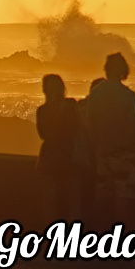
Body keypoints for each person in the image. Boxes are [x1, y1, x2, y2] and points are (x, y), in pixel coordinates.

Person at [86, 53, 135, 220]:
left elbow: (91, 124)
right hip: (124, 153)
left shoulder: (96, 94)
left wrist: (93, 149)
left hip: (102, 151)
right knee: (124, 198)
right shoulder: (128, 96)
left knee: (102, 197)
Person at [36, 74, 83, 219]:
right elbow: (77, 128)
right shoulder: (70, 106)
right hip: (70, 158)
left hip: (49, 159)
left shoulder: (42, 111)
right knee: (72, 204)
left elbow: (43, 134)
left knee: (50, 204)